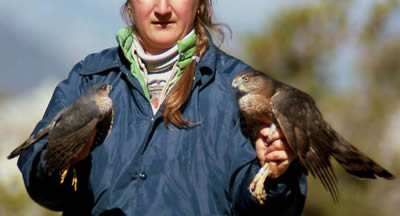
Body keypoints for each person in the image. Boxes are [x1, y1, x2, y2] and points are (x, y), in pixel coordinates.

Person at [17, 0, 307, 215]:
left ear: (199, 3)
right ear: (130, 3)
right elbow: (43, 187)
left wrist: (276, 175)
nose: (163, 8)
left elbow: (270, 210)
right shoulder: (89, 78)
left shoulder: (243, 92)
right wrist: (62, 162)